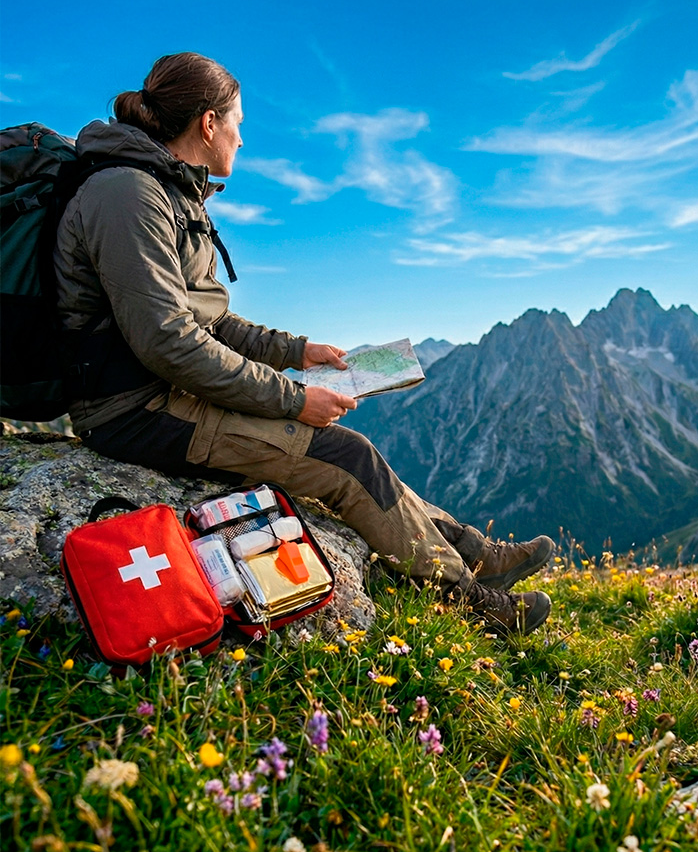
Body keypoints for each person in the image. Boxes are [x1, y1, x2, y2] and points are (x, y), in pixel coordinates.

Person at [54, 52, 553, 635]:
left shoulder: (170, 193)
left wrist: (299, 351)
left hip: (167, 390)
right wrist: (293, 401)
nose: (243, 139)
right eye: (238, 122)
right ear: (208, 123)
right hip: (134, 409)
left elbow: (212, 324)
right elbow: (168, 342)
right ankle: (469, 602)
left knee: (349, 448)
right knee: (345, 458)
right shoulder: (128, 196)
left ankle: (476, 554)